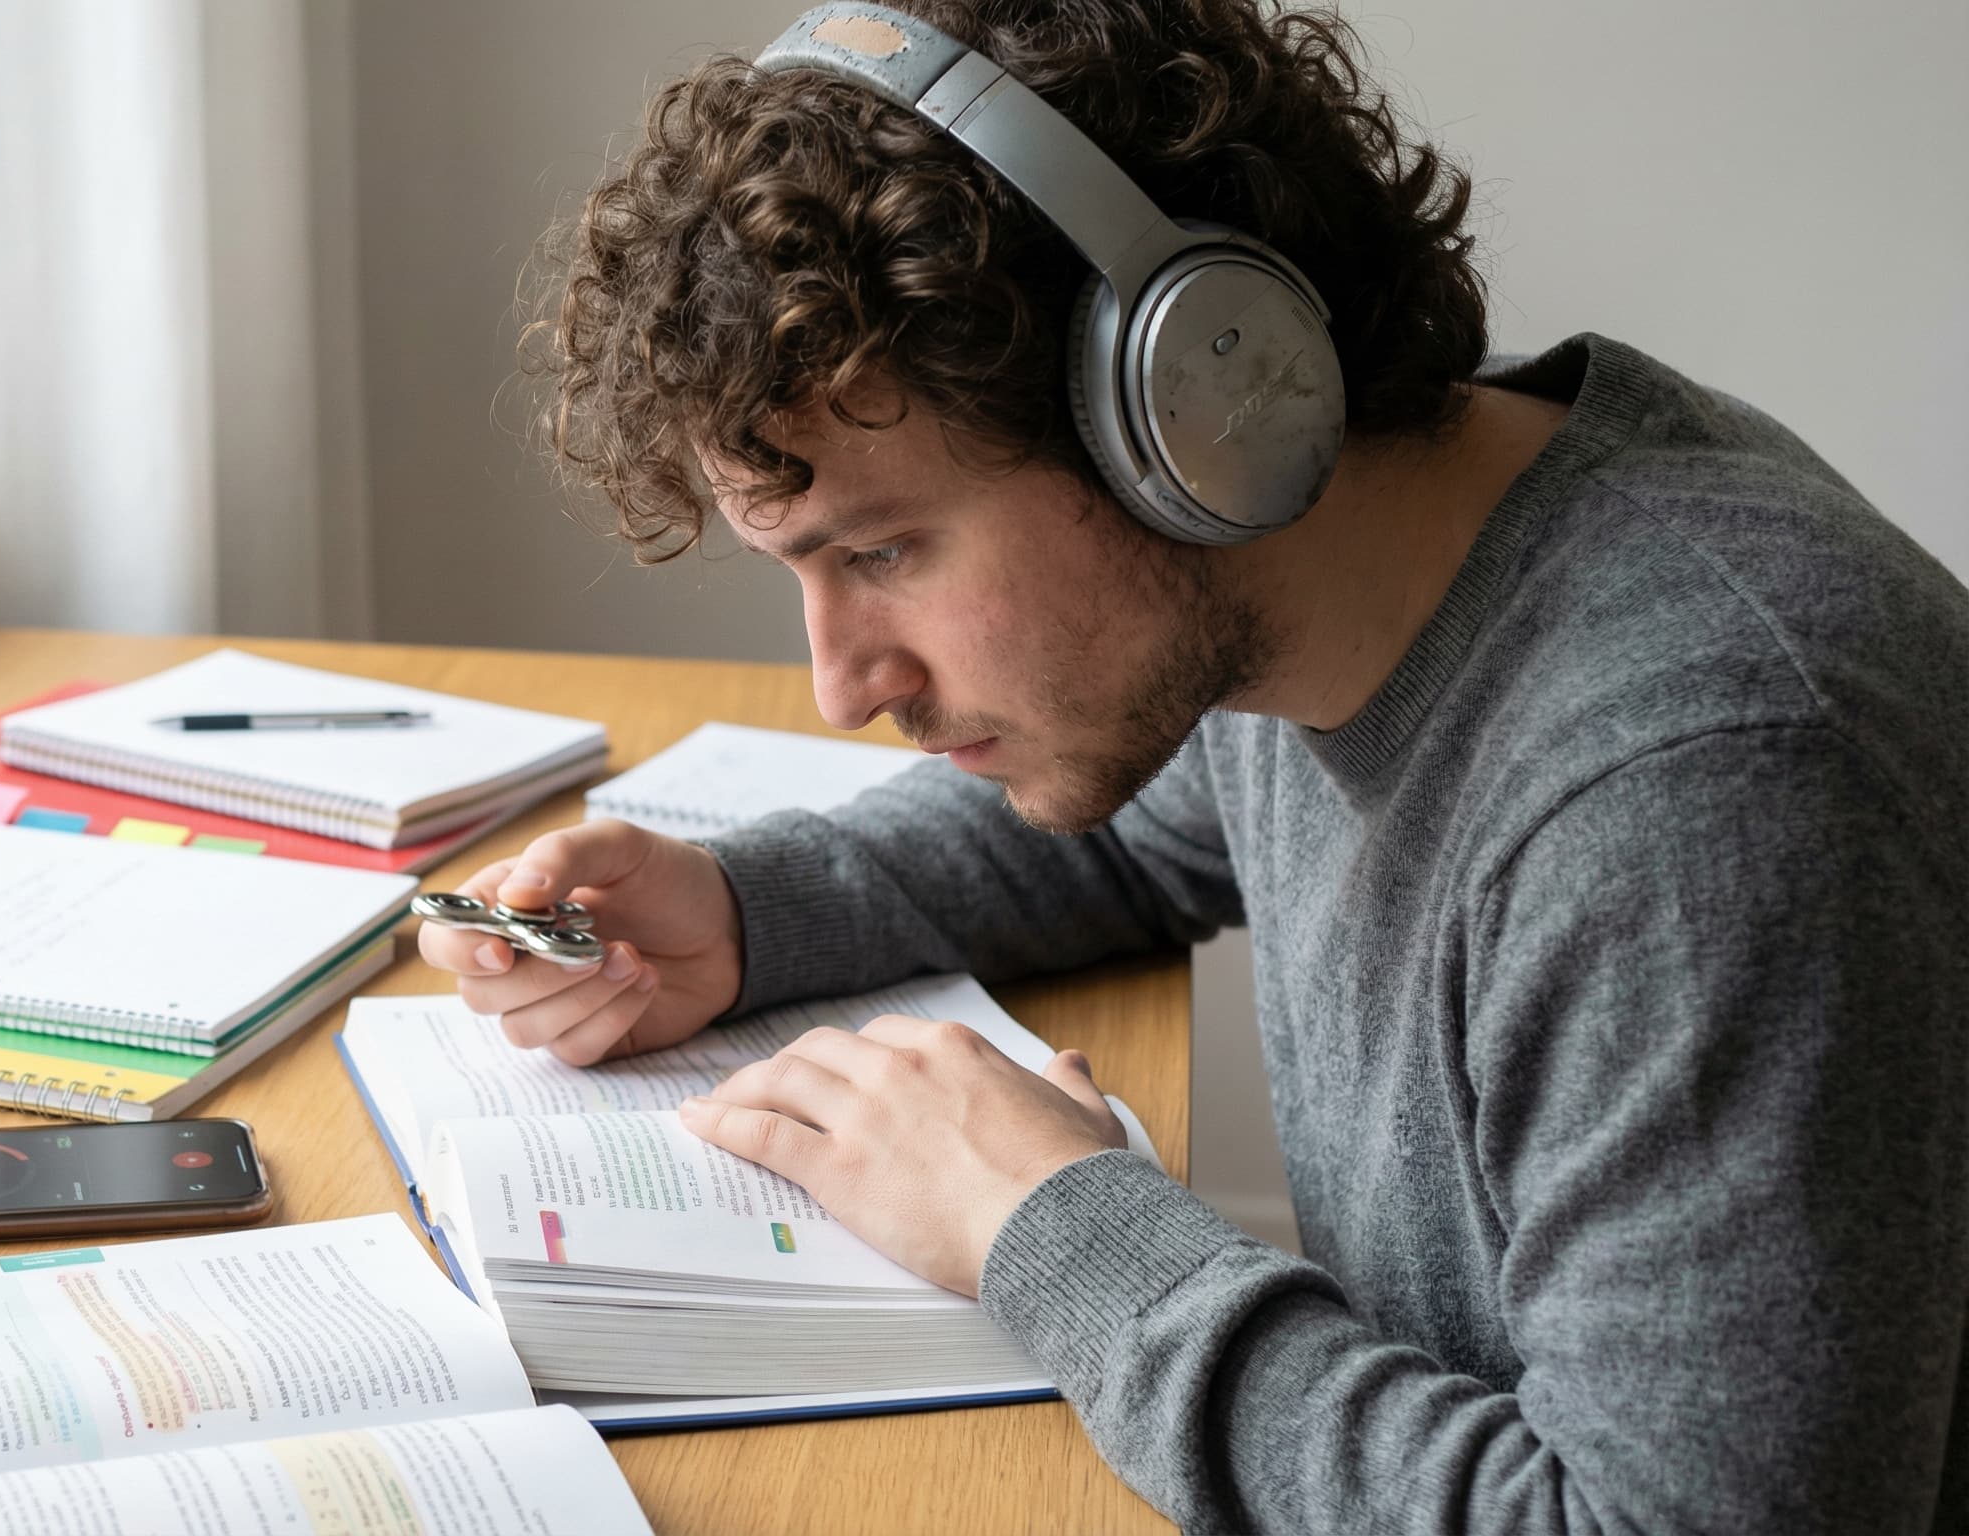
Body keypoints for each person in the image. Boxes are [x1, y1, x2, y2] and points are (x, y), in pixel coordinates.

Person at [416, 1, 1969, 1530]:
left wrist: (1055, 1227)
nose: (842, 684)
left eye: (884, 549)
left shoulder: (1702, 801)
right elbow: (1145, 827)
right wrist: (752, 911)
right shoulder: (1342, 583)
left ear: (1185, 408)